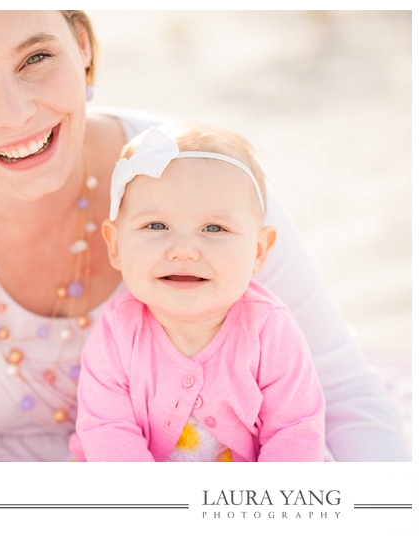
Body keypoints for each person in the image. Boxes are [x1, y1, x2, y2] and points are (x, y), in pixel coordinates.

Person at [0, 10, 407, 461]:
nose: (15, 114)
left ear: (83, 47)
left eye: (36, 58)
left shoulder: (207, 179)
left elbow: (344, 395)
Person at [71, 123, 325, 462]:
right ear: (115, 245)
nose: (183, 250)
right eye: (156, 226)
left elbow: (294, 428)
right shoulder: (118, 333)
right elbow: (107, 427)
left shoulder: (269, 330)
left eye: (214, 228)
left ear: (259, 250)